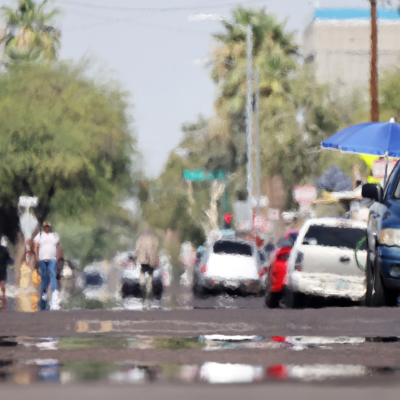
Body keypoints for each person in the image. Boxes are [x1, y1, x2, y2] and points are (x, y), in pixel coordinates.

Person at [33, 221, 61, 310]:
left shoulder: (54, 235)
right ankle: (44, 293)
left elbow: (58, 246)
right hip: (42, 259)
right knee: (44, 276)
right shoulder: (40, 235)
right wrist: (37, 256)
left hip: (52, 259)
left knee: (53, 273)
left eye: (48, 227)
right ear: (43, 227)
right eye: (45, 227)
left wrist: (58, 256)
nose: (47, 228)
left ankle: (54, 294)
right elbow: (35, 246)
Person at [135, 228, 159, 300]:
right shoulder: (154, 239)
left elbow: (137, 249)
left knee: (142, 272)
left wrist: (135, 258)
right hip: (151, 260)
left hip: (143, 260)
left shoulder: (140, 239)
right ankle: (149, 286)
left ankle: (142, 282)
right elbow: (156, 249)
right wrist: (156, 259)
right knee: (150, 274)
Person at [0, 237, 11, 311]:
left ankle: (3, 296)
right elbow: (8, 259)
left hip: (2, 266)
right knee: (2, 281)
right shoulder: (4, 249)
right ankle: (3, 296)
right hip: (2, 267)